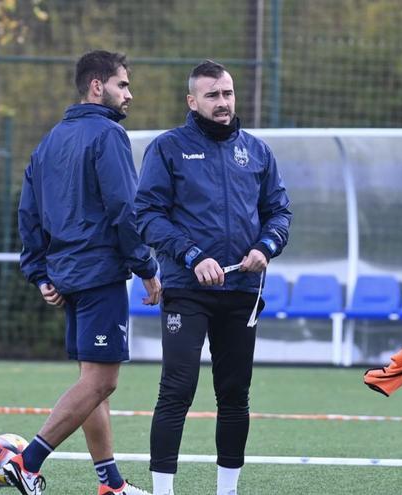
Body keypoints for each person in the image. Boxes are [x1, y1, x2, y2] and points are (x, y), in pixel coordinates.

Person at [8, 50, 161, 495]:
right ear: (98, 86)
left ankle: (110, 485)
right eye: (123, 85)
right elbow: (124, 210)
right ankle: (28, 462)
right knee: (102, 380)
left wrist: (40, 273)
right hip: (99, 275)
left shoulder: (50, 140)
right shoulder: (108, 135)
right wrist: (146, 267)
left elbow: (28, 214)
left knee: (93, 383)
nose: (129, 94)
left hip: (67, 276)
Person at [135, 60, 292, 495]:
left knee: (234, 394)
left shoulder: (258, 151)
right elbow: (146, 215)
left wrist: (266, 247)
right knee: (177, 390)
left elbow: (279, 212)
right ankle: (163, 491)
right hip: (187, 290)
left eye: (227, 93)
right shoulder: (167, 148)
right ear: (192, 101)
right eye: (212, 95)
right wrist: (192, 255)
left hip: (242, 291)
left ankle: (228, 490)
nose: (223, 103)